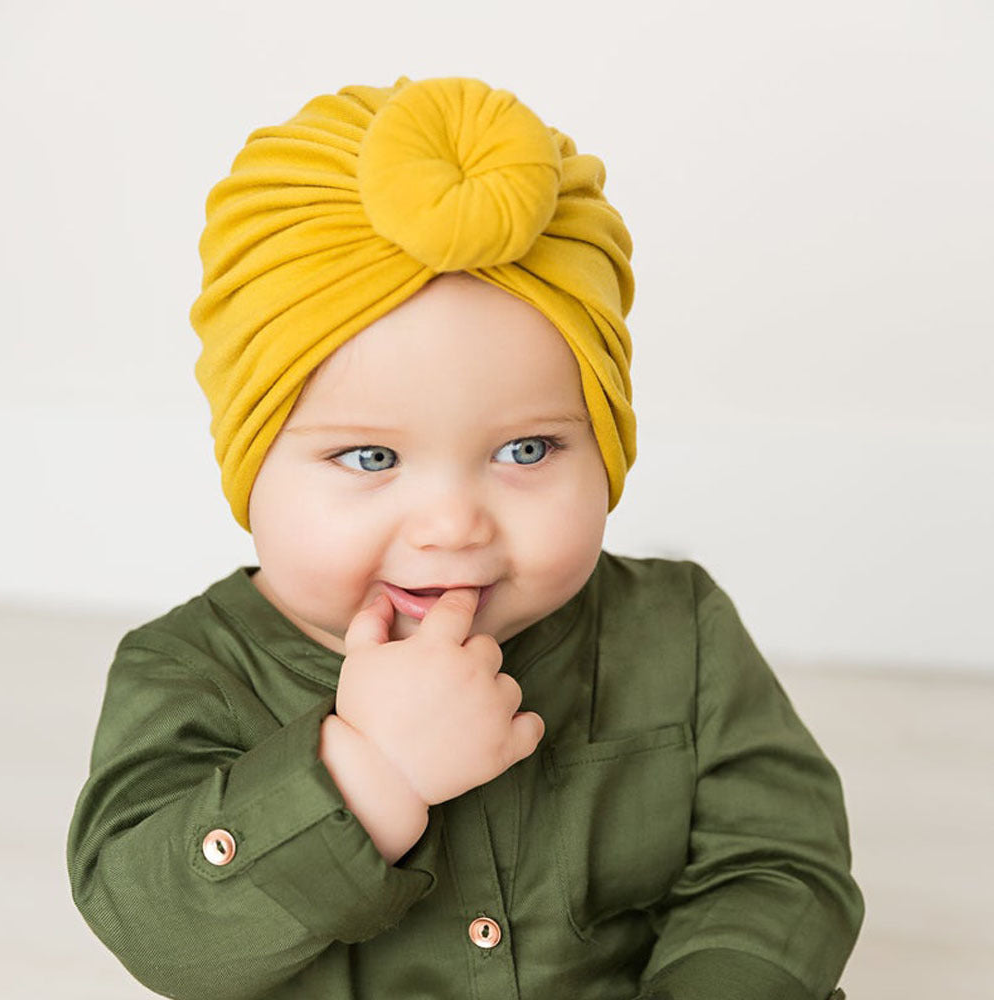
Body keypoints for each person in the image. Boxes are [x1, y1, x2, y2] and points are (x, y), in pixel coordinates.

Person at [67, 75, 863, 1000]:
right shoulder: (183, 674)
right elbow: (157, 932)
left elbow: (780, 866)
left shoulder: (679, 633)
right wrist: (367, 775)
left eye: (526, 449)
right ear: (251, 467)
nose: (453, 526)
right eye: (369, 457)